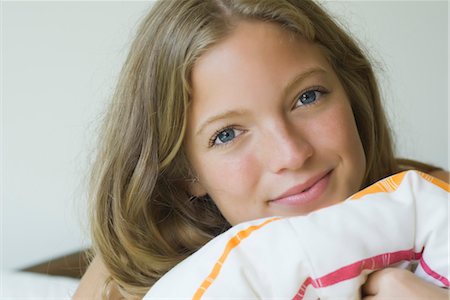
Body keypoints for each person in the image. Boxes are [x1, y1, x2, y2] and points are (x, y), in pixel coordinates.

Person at [74, 0, 449, 299]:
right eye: (227, 134)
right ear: (185, 175)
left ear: (351, 92)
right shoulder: (122, 286)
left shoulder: (435, 203)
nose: (291, 154)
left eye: (307, 97)